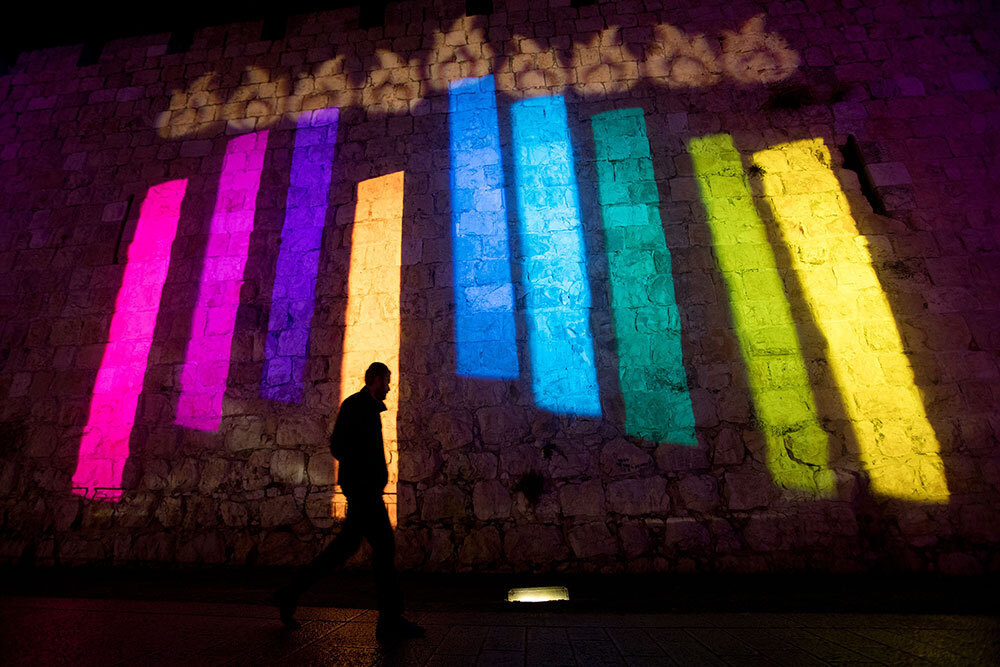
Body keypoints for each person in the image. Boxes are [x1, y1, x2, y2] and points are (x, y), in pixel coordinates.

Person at [272, 362, 424, 640]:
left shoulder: (365, 407)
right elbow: (338, 446)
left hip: (363, 491)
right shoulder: (356, 406)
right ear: (376, 379)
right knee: (383, 549)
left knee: (342, 552)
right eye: (387, 381)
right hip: (363, 492)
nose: (389, 387)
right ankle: (390, 619)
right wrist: (365, 471)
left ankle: (289, 594)